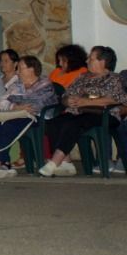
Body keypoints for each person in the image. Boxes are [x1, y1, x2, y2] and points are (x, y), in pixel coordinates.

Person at [39, 46, 126, 177]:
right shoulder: (82, 77)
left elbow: (117, 98)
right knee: (53, 122)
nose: (87, 61)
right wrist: (68, 101)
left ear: (102, 62)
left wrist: (86, 102)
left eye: (91, 58)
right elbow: (66, 95)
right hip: (78, 112)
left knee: (75, 122)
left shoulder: (114, 78)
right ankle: (66, 162)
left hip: (104, 115)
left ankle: (54, 161)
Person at [0, 55, 56, 176]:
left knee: (9, 126)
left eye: (20, 68)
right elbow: (2, 103)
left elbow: (36, 105)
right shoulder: (16, 85)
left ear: (31, 69)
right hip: (17, 114)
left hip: (38, 118)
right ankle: (3, 163)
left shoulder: (44, 84)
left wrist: (15, 101)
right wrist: (16, 107)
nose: (17, 72)